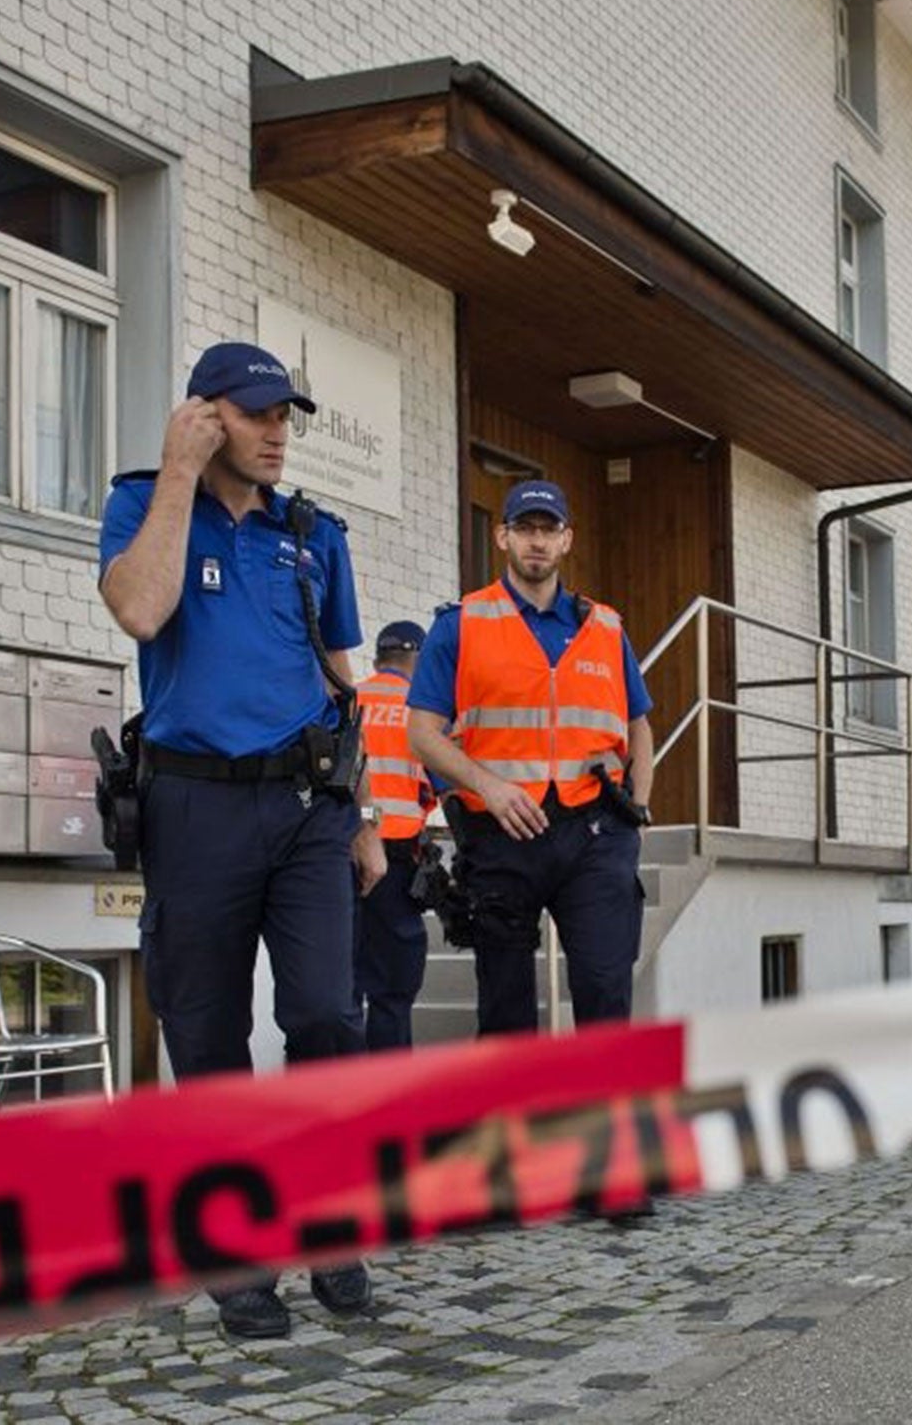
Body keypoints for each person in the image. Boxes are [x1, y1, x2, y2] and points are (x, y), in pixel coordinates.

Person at [98, 340, 385, 1338]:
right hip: (192, 811)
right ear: (205, 416)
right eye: (258, 414)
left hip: (307, 810)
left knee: (323, 1016)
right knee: (207, 1033)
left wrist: (368, 812)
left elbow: (344, 679)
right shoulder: (142, 506)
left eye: (286, 417)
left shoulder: (315, 536)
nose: (278, 434)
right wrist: (178, 472)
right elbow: (139, 607)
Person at [406, 480, 655, 1048]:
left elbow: (639, 726)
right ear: (503, 537)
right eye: (525, 529)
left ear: (567, 540)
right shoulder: (461, 623)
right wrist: (487, 787)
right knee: (505, 1008)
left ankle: (602, 1126)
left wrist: (634, 812)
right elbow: (422, 732)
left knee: (604, 992)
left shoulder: (606, 628)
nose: (537, 542)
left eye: (549, 530)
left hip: (594, 832)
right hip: (501, 833)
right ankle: (515, 1129)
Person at [353, 619, 433, 1050]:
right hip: (396, 865)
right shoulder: (422, 710)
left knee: (339, 987)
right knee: (392, 992)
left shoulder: (349, 700)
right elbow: (435, 784)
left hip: (339, 858)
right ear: (417, 659)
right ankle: (388, 1096)